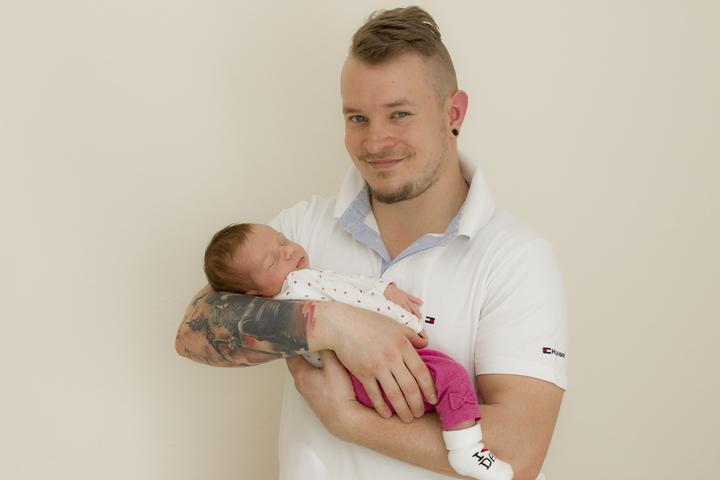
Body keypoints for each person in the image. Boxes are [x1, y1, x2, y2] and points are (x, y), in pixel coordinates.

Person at [175, 6, 567, 480]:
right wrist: (335, 324)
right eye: (357, 117)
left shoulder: (516, 258)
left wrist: (350, 422)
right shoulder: (297, 234)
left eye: (399, 114)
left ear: (453, 113)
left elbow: (520, 452)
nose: (375, 141)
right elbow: (194, 333)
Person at [202, 222, 514, 479]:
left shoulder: (287, 296)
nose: (289, 251)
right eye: (272, 261)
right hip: (364, 374)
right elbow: (347, 287)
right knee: (450, 377)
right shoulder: (296, 287)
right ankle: (467, 450)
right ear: (251, 294)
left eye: (283, 240)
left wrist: (383, 292)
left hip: (361, 378)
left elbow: (344, 286)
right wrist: (383, 296)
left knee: (439, 394)